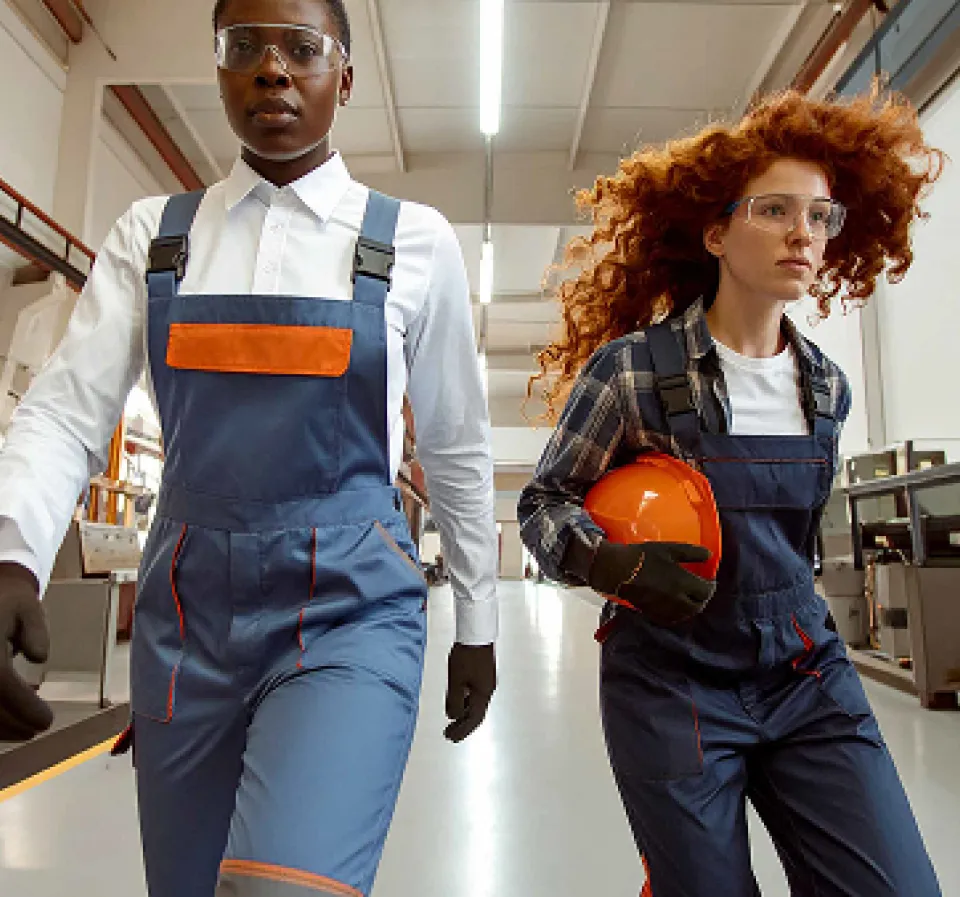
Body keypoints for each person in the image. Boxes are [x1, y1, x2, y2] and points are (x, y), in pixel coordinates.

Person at [0, 0, 499, 894]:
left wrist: (479, 621)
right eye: (245, 47)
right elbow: (66, 413)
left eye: (303, 48)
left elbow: (457, 446)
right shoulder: (155, 238)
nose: (273, 68)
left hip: (350, 611)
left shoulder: (412, 242)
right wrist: (11, 556)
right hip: (186, 622)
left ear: (344, 77)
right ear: (220, 69)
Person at [518, 84, 944, 896]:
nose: (802, 233)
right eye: (774, 210)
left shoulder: (827, 386)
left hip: (804, 672)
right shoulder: (633, 371)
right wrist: (605, 563)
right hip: (668, 679)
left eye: (819, 215)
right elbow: (543, 503)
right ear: (716, 233)